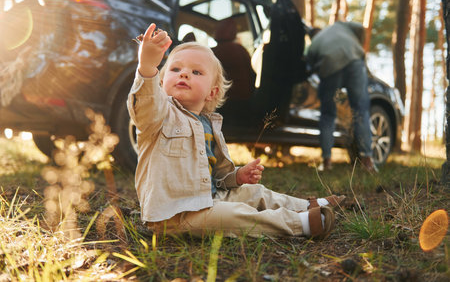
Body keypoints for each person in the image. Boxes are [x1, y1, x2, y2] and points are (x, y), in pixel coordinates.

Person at [127, 23, 345, 239]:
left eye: (196, 71)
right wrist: (147, 68)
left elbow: (216, 178)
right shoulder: (159, 115)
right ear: (162, 82)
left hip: (211, 199)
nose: (184, 74)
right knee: (233, 215)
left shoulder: (208, 124)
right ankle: (300, 223)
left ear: (211, 93)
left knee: (254, 193)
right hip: (174, 215)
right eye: (176, 69)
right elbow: (144, 105)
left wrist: (237, 177)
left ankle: (306, 205)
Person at [306, 21, 377, 173]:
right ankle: (368, 161)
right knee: (360, 111)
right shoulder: (338, 26)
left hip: (330, 67)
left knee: (327, 114)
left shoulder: (313, 45)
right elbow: (360, 28)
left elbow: (309, 67)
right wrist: (359, 46)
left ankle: (326, 162)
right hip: (354, 61)